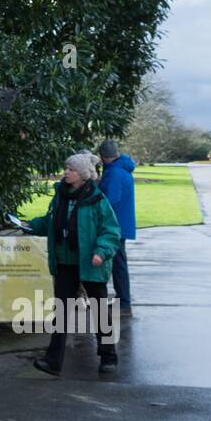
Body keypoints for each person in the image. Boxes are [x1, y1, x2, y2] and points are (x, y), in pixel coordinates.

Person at [29, 153, 124, 375]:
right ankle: (52, 361)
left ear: (82, 174)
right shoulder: (60, 196)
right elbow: (50, 222)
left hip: (91, 263)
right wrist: (29, 225)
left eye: (70, 169)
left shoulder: (97, 199)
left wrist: (101, 251)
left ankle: (109, 356)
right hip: (65, 262)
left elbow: (111, 230)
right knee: (61, 312)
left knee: (100, 310)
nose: (66, 172)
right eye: (66, 168)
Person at [97, 139, 136, 317]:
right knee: (119, 263)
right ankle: (123, 299)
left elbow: (110, 201)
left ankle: (124, 302)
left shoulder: (113, 173)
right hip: (123, 222)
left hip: (115, 225)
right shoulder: (123, 168)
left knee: (118, 264)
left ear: (104, 157)